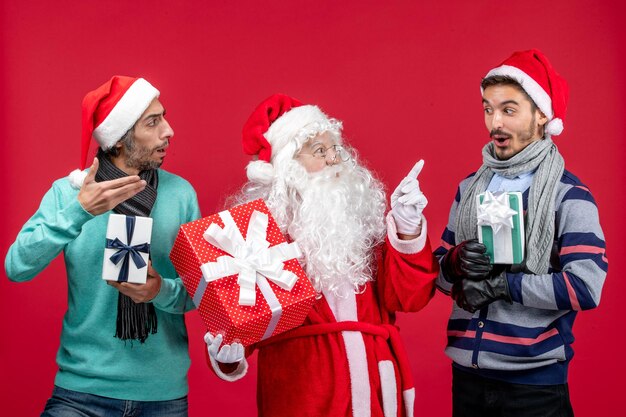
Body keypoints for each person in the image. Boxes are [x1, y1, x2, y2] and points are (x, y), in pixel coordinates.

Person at [203, 94, 438, 417]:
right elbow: (240, 333)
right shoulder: (259, 237)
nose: (334, 159)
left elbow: (410, 297)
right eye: (319, 150)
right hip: (304, 394)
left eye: (335, 148)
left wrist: (408, 230)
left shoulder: (364, 225)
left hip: (375, 393)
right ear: (289, 167)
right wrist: (227, 355)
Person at [5, 76, 200, 416]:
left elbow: (201, 292)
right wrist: (80, 212)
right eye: (152, 123)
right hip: (81, 392)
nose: (168, 131)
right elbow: (17, 267)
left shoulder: (181, 194)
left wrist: (158, 291)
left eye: (163, 118)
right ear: (121, 140)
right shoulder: (69, 195)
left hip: (162, 395)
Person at [435, 49, 608, 416]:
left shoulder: (568, 196)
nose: (494, 122)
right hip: (467, 379)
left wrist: (503, 287)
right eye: (488, 108)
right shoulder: (470, 190)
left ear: (542, 114)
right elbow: (437, 276)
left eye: (508, 110)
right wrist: (452, 264)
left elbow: (585, 287)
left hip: (534, 389)